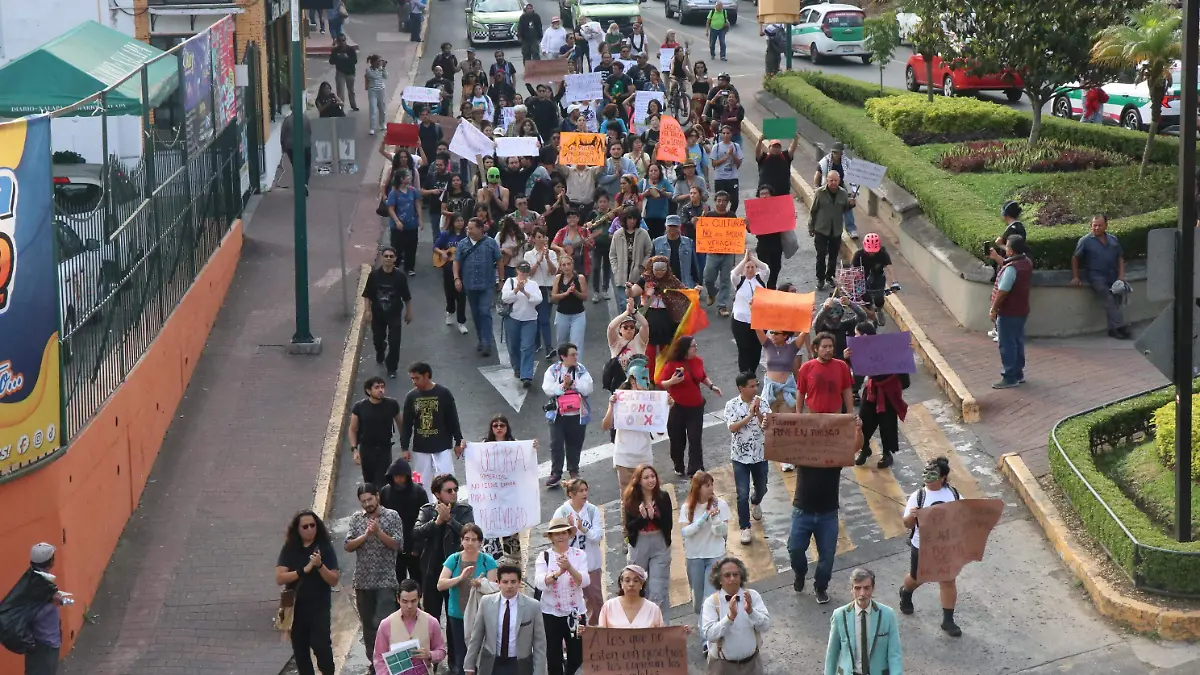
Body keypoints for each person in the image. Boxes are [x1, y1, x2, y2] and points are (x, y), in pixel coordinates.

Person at [787, 332, 855, 605]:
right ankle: (800, 573)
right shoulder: (806, 369)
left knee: (827, 558)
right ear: (815, 348)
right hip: (802, 509)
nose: (828, 350)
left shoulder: (841, 368)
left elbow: (847, 392)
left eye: (831, 346)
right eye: (824, 346)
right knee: (795, 550)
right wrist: (798, 419)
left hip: (828, 512)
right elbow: (801, 394)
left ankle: (820, 586)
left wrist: (850, 420)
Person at [900, 457, 964, 637]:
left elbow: (964, 515)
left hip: (946, 546)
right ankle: (906, 592)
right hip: (922, 547)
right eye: (926, 472)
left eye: (933, 473)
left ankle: (948, 620)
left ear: (943, 477)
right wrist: (912, 516)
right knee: (918, 577)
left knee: (948, 580)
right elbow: (906, 524)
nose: (928, 477)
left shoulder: (953, 494)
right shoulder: (918, 496)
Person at [345, 484, 403, 674]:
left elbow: (397, 544)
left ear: (377, 497)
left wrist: (378, 532)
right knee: (369, 628)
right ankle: (375, 664)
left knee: (384, 625)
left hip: (386, 580)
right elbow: (348, 546)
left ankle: (390, 663)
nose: (368, 504)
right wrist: (366, 535)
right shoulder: (356, 518)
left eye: (370, 499)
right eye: (364, 501)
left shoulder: (392, 515)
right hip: (362, 582)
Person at [275, 511, 340, 675]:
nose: (310, 529)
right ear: (297, 529)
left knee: (321, 646)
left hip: (319, 607)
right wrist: (303, 571)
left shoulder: (324, 548)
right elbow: (280, 577)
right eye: (305, 526)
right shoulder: (290, 548)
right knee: (300, 649)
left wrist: (319, 566)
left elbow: (333, 579)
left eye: (313, 525)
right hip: (297, 608)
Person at [438, 524, 500, 674]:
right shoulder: (454, 559)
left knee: (481, 654)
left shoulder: (487, 561)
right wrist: (460, 578)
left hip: (481, 616)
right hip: (457, 615)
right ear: (461, 541)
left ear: (480, 542)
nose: (470, 543)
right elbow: (440, 584)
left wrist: (481, 584)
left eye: (474, 539)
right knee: (461, 656)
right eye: (466, 539)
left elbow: (494, 589)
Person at [464, 565, 547, 675]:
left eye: (513, 582)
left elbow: (539, 643)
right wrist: (469, 665)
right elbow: (476, 636)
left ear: (519, 582)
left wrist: (539, 671)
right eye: (505, 582)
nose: (509, 586)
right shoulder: (486, 602)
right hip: (492, 662)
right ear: (498, 583)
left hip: (520, 663)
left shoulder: (533, 606)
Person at [413, 474, 476, 620]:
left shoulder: (464, 510)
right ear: (437, 494)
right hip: (432, 570)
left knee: (454, 615)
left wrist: (449, 520)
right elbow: (416, 533)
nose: (453, 493)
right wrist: (437, 522)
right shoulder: (427, 510)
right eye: (449, 491)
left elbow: (469, 534)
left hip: (456, 570)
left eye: (455, 489)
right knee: (430, 616)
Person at [658, 336, 722, 477]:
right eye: (693, 346)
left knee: (695, 439)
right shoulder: (672, 365)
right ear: (685, 349)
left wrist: (712, 386)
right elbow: (660, 383)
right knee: (677, 441)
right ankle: (678, 464)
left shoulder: (698, 361)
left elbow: (702, 376)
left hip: (695, 407)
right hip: (677, 408)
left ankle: (696, 469)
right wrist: (672, 381)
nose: (696, 348)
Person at [399, 362, 465, 497]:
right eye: (412, 378)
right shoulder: (411, 397)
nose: (414, 382)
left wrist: (458, 441)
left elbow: (453, 419)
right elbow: (407, 424)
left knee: (447, 480)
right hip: (421, 448)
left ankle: (450, 509)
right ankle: (425, 511)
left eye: (417, 378)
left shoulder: (443, 393)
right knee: (421, 482)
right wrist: (404, 447)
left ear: (427, 375)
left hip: (442, 447)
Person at [535, 517, 590, 675]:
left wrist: (569, 568)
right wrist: (558, 572)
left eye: (563, 532)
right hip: (551, 614)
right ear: (551, 537)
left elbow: (584, 581)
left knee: (577, 654)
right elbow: (540, 582)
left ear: (569, 534)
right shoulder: (544, 556)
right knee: (553, 655)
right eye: (556, 533)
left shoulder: (579, 555)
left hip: (576, 613)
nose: (560, 536)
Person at [4, 543, 70, 675]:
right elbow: (33, 614)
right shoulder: (39, 583)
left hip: (46, 642)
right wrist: (53, 603)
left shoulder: (34, 580)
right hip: (44, 644)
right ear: (51, 562)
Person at [824, 568, 904, 675]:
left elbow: (895, 654)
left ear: (873, 588)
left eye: (866, 588)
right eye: (857, 588)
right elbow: (832, 654)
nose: (862, 593)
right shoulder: (839, 615)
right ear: (851, 589)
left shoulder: (887, 615)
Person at [701, 557, 772, 675]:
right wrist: (730, 617)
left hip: (752, 665)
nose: (732, 578)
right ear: (719, 580)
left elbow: (765, 626)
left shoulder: (752, 596)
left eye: (735, 574)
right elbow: (710, 635)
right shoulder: (711, 602)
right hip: (723, 667)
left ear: (741, 577)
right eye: (727, 575)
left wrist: (751, 611)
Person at [725, 372, 772, 545]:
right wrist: (749, 416)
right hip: (740, 456)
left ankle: (756, 501)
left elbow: (769, 424)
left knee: (762, 487)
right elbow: (732, 427)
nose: (755, 389)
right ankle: (745, 527)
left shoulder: (763, 402)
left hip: (760, 454)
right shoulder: (731, 405)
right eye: (751, 386)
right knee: (742, 493)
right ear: (741, 388)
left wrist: (759, 414)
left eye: (756, 385)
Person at [552, 479, 605, 624]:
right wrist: (570, 531)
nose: (585, 493)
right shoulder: (561, 513)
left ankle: (597, 630)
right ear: (571, 494)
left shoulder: (592, 510)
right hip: (571, 565)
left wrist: (583, 529)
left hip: (591, 564)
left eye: (585, 490)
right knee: (572, 600)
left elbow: (598, 536)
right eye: (580, 491)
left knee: (595, 599)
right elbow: (556, 539)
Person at [623, 464, 674, 614]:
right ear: (638, 481)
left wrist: (654, 517)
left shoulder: (663, 497)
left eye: (653, 476)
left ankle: (661, 624)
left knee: (658, 588)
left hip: (659, 542)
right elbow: (630, 527)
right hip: (640, 543)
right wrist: (643, 518)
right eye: (646, 477)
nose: (650, 480)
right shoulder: (631, 499)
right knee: (637, 585)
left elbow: (668, 525)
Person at [542, 342, 594, 488]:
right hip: (558, 415)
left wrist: (573, 384)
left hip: (577, 414)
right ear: (563, 356)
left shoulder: (581, 370)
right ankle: (556, 473)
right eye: (572, 355)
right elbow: (548, 389)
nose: (575, 357)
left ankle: (573, 471)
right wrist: (563, 386)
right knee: (556, 444)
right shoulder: (553, 371)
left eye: (576, 354)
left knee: (575, 443)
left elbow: (588, 388)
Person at [1070, 214, 1131, 339]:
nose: (1096, 228)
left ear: (1106, 226)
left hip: (1113, 274)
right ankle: (1121, 326)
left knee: (1115, 300)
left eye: (1099, 225)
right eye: (1094, 225)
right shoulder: (1085, 241)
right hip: (1096, 276)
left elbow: (1120, 257)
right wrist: (1076, 276)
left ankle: (1113, 330)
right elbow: (1075, 258)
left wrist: (1121, 275)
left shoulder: (1113, 239)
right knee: (1108, 298)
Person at [680, 471, 730, 615]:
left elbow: (722, 532)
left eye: (712, 484)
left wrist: (715, 519)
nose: (711, 488)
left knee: (710, 598)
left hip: (715, 555)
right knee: (698, 600)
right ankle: (703, 620)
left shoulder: (720, 504)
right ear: (698, 488)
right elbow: (685, 532)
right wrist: (704, 518)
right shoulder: (687, 507)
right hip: (694, 556)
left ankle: (707, 635)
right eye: (706, 485)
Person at [602, 355, 657, 485]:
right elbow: (605, 426)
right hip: (624, 459)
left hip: (645, 458)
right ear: (633, 381)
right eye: (643, 378)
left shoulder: (651, 400)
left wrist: (668, 407)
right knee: (627, 501)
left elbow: (660, 428)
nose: (647, 383)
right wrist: (611, 406)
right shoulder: (619, 399)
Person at [372, 580, 447, 673]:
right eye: (405, 601)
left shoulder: (431, 622)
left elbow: (441, 651)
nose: (409, 606)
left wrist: (430, 655)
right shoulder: (386, 624)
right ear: (398, 599)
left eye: (413, 601)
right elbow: (379, 658)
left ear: (419, 599)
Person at [454, 218, 505, 357]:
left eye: (471, 228)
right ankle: (481, 339)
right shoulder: (463, 244)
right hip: (470, 285)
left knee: (485, 312)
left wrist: (501, 279)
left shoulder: (491, 243)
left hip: (486, 284)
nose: (468, 231)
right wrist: (457, 278)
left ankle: (487, 342)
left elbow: (499, 260)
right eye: (468, 228)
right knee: (475, 314)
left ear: (480, 229)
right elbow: (456, 261)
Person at [987, 234, 1032, 389]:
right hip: (1021, 310)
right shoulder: (1025, 262)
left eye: (1007, 247)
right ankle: (1018, 374)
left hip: (1009, 312)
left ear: (1011, 251)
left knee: (1007, 344)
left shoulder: (1012, 268)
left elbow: (1003, 290)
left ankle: (1009, 377)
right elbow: (1008, 265)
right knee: (1017, 342)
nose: (1005, 249)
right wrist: (996, 257)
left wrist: (994, 309)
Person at [362, 250, 414, 379]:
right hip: (378, 314)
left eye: (391, 256)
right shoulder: (374, 275)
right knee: (378, 339)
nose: (388, 258)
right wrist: (367, 311)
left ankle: (392, 367)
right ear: (382, 258)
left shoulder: (400, 276)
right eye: (386, 256)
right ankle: (380, 350)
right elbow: (367, 295)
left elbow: (406, 296)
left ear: (395, 259)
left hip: (394, 314)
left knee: (395, 341)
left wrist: (409, 312)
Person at [379, 457, 428, 585]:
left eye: (401, 476)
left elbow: (425, 519)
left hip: (413, 543)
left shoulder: (418, 492)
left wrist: (418, 546)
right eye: (396, 476)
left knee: (417, 581)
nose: (399, 479)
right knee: (396, 582)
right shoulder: (385, 492)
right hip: (394, 544)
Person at [349, 376, 404, 488]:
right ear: (368, 391)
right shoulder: (360, 407)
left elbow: (400, 425)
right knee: (369, 482)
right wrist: (354, 449)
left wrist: (405, 446)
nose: (381, 390)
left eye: (382, 387)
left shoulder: (392, 404)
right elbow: (352, 429)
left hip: (384, 449)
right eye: (377, 387)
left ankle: (381, 502)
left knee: (382, 481)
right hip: (366, 449)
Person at [809, 170, 855, 291]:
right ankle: (820, 278)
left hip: (836, 230)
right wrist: (811, 227)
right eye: (831, 180)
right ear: (827, 180)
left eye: (836, 180)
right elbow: (813, 210)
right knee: (821, 254)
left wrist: (851, 204)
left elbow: (845, 209)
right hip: (821, 229)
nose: (833, 183)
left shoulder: (843, 193)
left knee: (834, 256)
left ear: (839, 181)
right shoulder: (820, 193)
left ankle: (830, 277)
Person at [501, 261, 543, 388]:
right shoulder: (510, 282)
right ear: (517, 270)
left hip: (529, 319)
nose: (524, 273)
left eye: (526, 271)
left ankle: (527, 375)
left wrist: (524, 292)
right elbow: (505, 298)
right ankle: (517, 367)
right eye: (522, 270)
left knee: (527, 347)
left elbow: (538, 300)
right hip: (513, 318)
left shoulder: (533, 284)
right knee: (513, 345)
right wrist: (516, 290)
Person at [729, 252, 770, 373]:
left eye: (752, 267)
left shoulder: (761, 279)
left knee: (756, 348)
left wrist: (752, 258)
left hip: (760, 320)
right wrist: (744, 260)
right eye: (747, 267)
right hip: (740, 321)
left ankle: (752, 371)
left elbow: (766, 268)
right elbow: (733, 273)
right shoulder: (739, 281)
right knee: (743, 348)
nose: (750, 269)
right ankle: (744, 373)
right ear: (743, 269)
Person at [703, 191, 741, 317]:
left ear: (728, 202)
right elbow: (703, 232)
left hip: (728, 254)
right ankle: (712, 292)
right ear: (715, 202)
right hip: (712, 253)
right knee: (708, 278)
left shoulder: (732, 216)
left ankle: (722, 305)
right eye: (719, 200)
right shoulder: (709, 215)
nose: (721, 203)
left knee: (725, 280)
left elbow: (736, 235)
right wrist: (697, 221)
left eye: (724, 201)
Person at [523, 227, 559, 360]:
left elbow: (553, 271)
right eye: (538, 237)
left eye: (543, 237)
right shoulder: (528, 255)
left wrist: (548, 258)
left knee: (544, 319)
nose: (541, 240)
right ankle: (539, 343)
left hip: (547, 288)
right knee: (536, 318)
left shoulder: (552, 253)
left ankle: (548, 346)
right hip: (533, 288)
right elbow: (529, 273)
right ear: (533, 239)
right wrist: (538, 260)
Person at [610, 207, 654, 308]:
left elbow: (649, 252)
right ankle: (624, 322)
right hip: (621, 275)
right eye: (630, 218)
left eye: (634, 218)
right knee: (623, 303)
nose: (632, 221)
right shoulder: (617, 234)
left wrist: (642, 266)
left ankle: (634, 322)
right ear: (625, 219)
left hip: (637, 275)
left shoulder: (643, 233)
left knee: (636, 303)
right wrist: (616, 269)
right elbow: (612, 254)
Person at [595, 565, 664, 628]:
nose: (631, 584)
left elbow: (661, 636)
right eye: (627, 580)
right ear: (621, 583)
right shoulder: (609, 606)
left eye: (636, 581)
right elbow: (600, 635)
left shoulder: (653, 609)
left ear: (642, 584)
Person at [436, 214, 471, 334]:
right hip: (448, 269)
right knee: (450, 294)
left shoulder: (466, 236)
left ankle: (461, 322)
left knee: (461, 296)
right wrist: (442, 253)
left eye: (462, 220)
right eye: (458, 221)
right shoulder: (446, 235)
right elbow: (435, 247)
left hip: (462, 270)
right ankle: (450, 311)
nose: (460, 223)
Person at [814, 142, 857, 239]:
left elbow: (852, 177)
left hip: (842, 187)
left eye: (840, 153)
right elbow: (817, 175)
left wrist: (853, 190)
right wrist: (816, 187)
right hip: (828, 186)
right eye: (836, 153)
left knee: (848, 205)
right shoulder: (825, 162)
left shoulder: (846, 162)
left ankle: (851, 229)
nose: (838, 155)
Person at [550, 255, 590, 357]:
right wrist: (566, 294)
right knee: (562, 344)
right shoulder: (558, 278)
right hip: (562, 314)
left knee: (576, 344)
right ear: (560, 267)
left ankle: (576, 369)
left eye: (568, 264)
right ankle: (562, 368)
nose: (566, 267)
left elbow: (585, 297)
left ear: (573, 265)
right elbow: (553, 298)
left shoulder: (580, 278)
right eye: (563, 265)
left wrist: (575, 292)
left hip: (578, 315)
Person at [387, 170, 425, 276]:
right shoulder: (394, 192)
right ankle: (395, 266)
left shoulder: (413, 191)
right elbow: (391, 209)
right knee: (397, 247)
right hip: (397, 226)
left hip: (411, 224)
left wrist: (420, 220)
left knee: (411, 247)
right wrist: (397, 221)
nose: (409, 178)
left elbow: (417, 205)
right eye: (407, 176)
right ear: (401, 179)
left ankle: (410, 267)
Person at [851, 233, 892, 326]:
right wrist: (855, 280)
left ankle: (879, 309)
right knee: (865, 299)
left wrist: (894, 281)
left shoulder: (882, 254)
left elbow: (889, 266)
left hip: (878, 278)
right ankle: (869, 318)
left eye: (874, 251)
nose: (872, 253)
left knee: (879, 298)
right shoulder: (858, 255)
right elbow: (853, 270)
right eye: (870, 251)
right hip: (862, 280)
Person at [280, 108, 313, 192]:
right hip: (305, 145)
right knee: (307, 165)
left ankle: (299, 184)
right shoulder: (306, 118)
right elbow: (310, 131)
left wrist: (283, 147)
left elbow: (283, 134)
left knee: (296, 166)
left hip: (291, 147)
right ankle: (305, 183)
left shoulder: (287, 120)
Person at [328, 35, 359, 111]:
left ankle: (353, 105)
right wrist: (338, 58)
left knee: (351, 90)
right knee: (340, 91)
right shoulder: (335, 50)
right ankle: (340, 107)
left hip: (350, 72)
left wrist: (346, 58)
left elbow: (354, 61)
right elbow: (331, 61)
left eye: (343, 40)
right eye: (340, 41)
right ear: (337, 42)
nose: (342, 42)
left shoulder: (351, 50)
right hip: (340, 72)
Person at [364, 55, 388, 135]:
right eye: (378, 61)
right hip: (373, 91)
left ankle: (382, 123)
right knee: (373, 109)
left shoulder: (381, 69)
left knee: (382, 108)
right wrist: (381, 68)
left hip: (381, 90)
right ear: (373, 62)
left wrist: (384, 68)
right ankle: (372, 128)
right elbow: (374, 76)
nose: (380, 63)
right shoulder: (368, 70)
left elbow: (386, 76)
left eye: (380, 61)